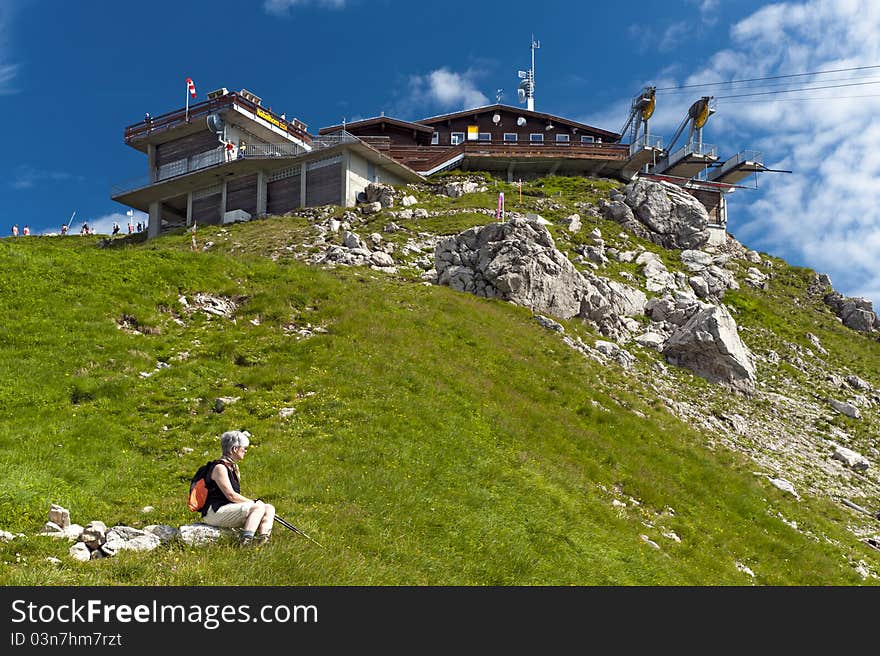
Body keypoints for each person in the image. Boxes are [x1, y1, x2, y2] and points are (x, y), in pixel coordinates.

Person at [200, 430, 275, 545]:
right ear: (235, 449)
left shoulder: (233, 467)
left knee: (269, 507)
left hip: (226, 508)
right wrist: (255, 502)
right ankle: (246, 541)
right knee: (258, 507)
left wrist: (256, 503)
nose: (245, 451)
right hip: (214, 512)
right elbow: (231, 495)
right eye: (244, 448)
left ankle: (263, 540)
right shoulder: (220, 468)